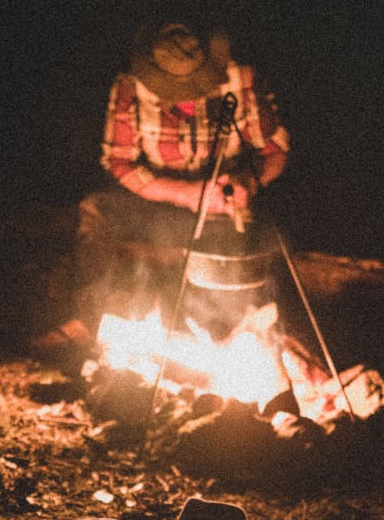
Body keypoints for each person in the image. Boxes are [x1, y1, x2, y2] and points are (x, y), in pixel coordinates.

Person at [34, 19, 289, 358]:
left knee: (257, 243)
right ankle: (87, 320)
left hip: (225, 207)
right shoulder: (131, 87)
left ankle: (235, 335)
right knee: (97, 210)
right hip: (161, 199)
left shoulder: (239, 81)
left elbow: (274, 151)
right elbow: (118, 162)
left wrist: (248, 181)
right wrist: (184, 194)